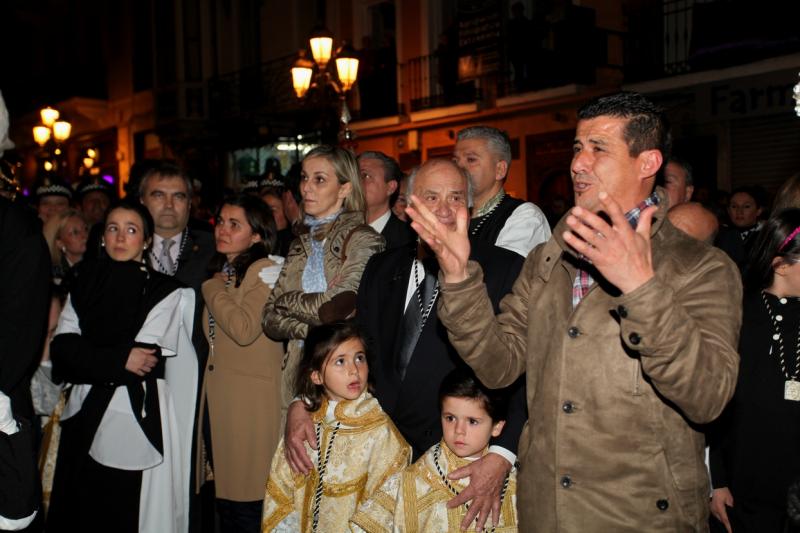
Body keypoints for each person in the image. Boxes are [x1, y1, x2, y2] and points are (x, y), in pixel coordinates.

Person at [408, 91, 743, 531]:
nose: (578, 164)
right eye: (577, 148)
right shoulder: (551, 257)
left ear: (648, 163)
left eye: (598, 149)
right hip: (546, 511)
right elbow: (499, 367)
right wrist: (458, 276)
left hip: (639, 517)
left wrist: (641, 289)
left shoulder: (699, 266)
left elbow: (708, 397)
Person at [47, 200, 197, 533]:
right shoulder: (82, 280)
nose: (119, 237)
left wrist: (90, 356)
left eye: (131, 230)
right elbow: (62, 351)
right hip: (83, 412)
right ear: (102, 237)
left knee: (119, 510)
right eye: (113, 228)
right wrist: (116, 358)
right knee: (78, 511)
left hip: (130, 415)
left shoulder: (164, 291)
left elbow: (142, 360)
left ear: (145, 240)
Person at [261, 145, 384, 412]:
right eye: (304, 178)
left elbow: (335, 309)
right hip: (297, 373)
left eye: (319, 179)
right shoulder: (299, 243)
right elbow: (269, 319)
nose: (306, 188)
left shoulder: (363, 239)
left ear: (345, 188)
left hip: (344, 374)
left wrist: (286, 302)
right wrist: (309, 328)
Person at [261, 321, 411, 532]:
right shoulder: (305, 424)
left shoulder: (380, 430)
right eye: (340, 361)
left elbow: (388, 499)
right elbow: (281, 490)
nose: (354, 370)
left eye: (360, 358)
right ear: (317, 376)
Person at [195, 195, 284, 533]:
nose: (223, 229)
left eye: (235, 224)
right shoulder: (229, 273)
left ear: (257, 235)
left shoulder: (264, 270)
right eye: (220, 221)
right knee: (229, 508)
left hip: (250, 406)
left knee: (247, 508)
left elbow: (245, 330)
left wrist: (211, 288)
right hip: (226, 403)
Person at [709, 209, 800, 532]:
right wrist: (715, 481)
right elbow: (716, 400)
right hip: (745, 478)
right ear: (782, 264)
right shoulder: (738, 313)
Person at [351, 367, 519, 532]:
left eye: (472, 421)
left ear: (497, 426)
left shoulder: (515, 477)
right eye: (450, 418)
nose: (459, 430)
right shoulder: (419, 476)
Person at [453, 125, 550, 257]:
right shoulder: (449, 215)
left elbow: (505, 274)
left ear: (500, 170)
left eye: (471, 159)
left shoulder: (525, 217)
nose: (459, 167)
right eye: (455, 161)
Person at [358, 151, 415, 249]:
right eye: (353, 177)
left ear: (390, 187)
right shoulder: (338, 234)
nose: (356, 183)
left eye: (365, 176)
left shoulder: (410, 241)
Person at [716, 186, 766, 273]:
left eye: (746, 206)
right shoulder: (719, 235)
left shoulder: (767, 236)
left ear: (759, 211)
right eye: (734, 206)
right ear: (728, 210)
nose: (739, 212)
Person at [43, 209, 88, 285]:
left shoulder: (99, 265)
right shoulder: (53, 275)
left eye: (86, 229)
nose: (85, 236)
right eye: (75, 232)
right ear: (60, 243)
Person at [261, 187, 293, 257]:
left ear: (286, 212)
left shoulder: (294, 246)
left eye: (272, 210)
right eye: (262, 210)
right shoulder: (257, 243)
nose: (266, 214)